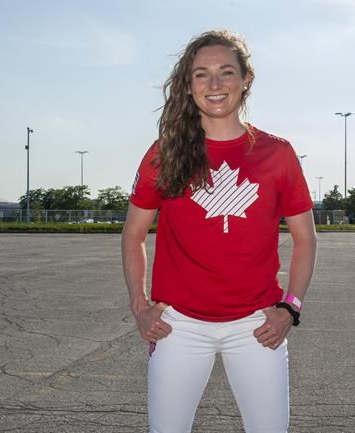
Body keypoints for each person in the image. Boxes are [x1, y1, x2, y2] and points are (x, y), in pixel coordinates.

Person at [121, 30, 317, 433]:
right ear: (188, 85)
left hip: (257, 325)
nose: (214, 84)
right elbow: (133, 233)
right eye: (201, 74)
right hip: (178, 325)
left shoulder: (277, 153)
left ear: (245, 79)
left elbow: (305, 238)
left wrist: (291, 307)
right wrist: (140, 307)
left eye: (226, 72)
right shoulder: (165, 153)